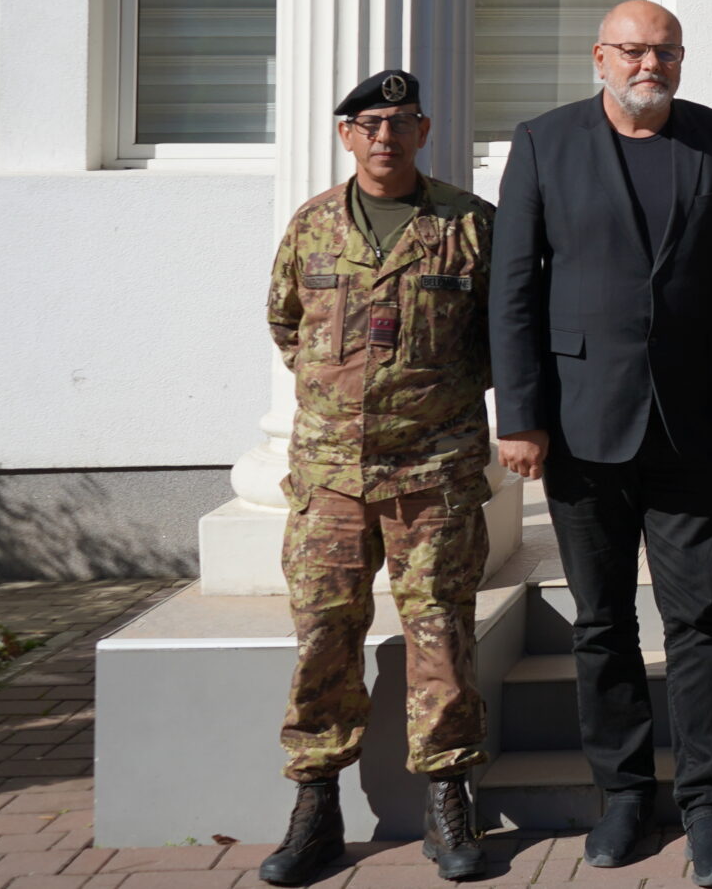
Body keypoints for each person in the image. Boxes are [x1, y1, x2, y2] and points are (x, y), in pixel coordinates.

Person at [488, 2, 712, 888]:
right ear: (600, 55)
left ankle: (709, 804)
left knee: (698, 622)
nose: (652, 63)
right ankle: (622, 793)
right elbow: (514, 289)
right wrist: (520, 415)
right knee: (601, 624)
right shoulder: (543, 142)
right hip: (577, 426)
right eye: (636, 50)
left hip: (690, 427)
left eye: (667, 51)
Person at [257, 70, 497, 887]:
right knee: (325, 635)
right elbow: (286, 322)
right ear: (346, 134)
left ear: (424, 131)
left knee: (442, 637)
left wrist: (431, 403)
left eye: (399, 121)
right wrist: (342, 398)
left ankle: (447, 799)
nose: (384, 135)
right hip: (329, 475)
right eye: (369, 122)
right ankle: (314, 808)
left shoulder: (468, 226)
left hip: (433, 472)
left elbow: (503, 337)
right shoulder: (312, 226)